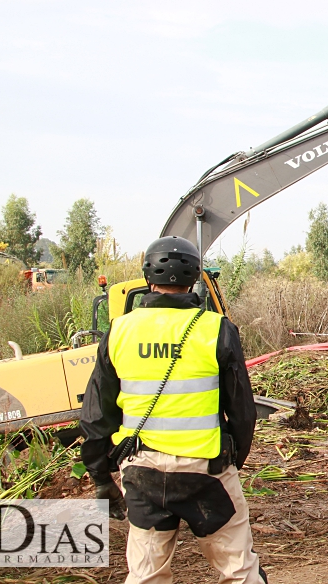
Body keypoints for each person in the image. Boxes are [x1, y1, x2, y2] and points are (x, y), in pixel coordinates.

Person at [80, 236, 266, 584]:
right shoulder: (216, 329)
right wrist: (232, 462)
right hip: (206, 472)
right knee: (239, 571)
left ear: (147, 275)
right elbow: (243, 411)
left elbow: (95, 414)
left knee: (145, 576)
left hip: (143, 472)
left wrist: (101, 476)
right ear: (195, 276)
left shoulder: (119, 331)